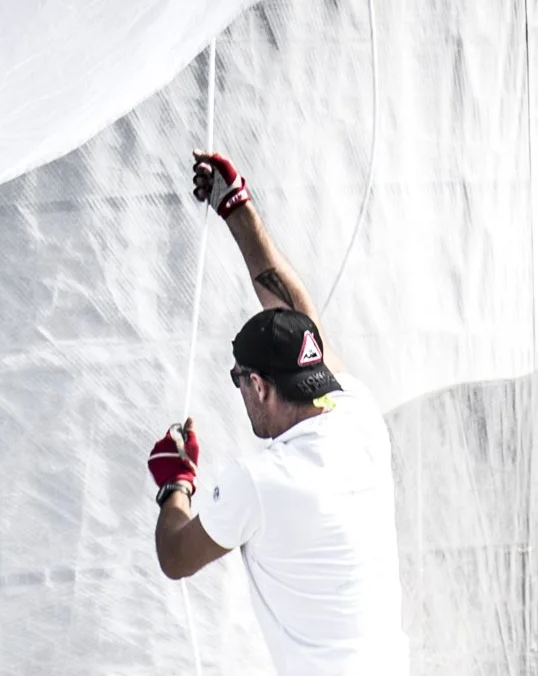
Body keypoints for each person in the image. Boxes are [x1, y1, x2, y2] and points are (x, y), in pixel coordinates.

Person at [145, 151, 408, 674]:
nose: (239, 390)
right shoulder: (358, 417)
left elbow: (175, 556)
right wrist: (237, 209)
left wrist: (175, 483)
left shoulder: (259, 482)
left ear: (259, 386)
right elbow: (297, 315)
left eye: (238, 380)